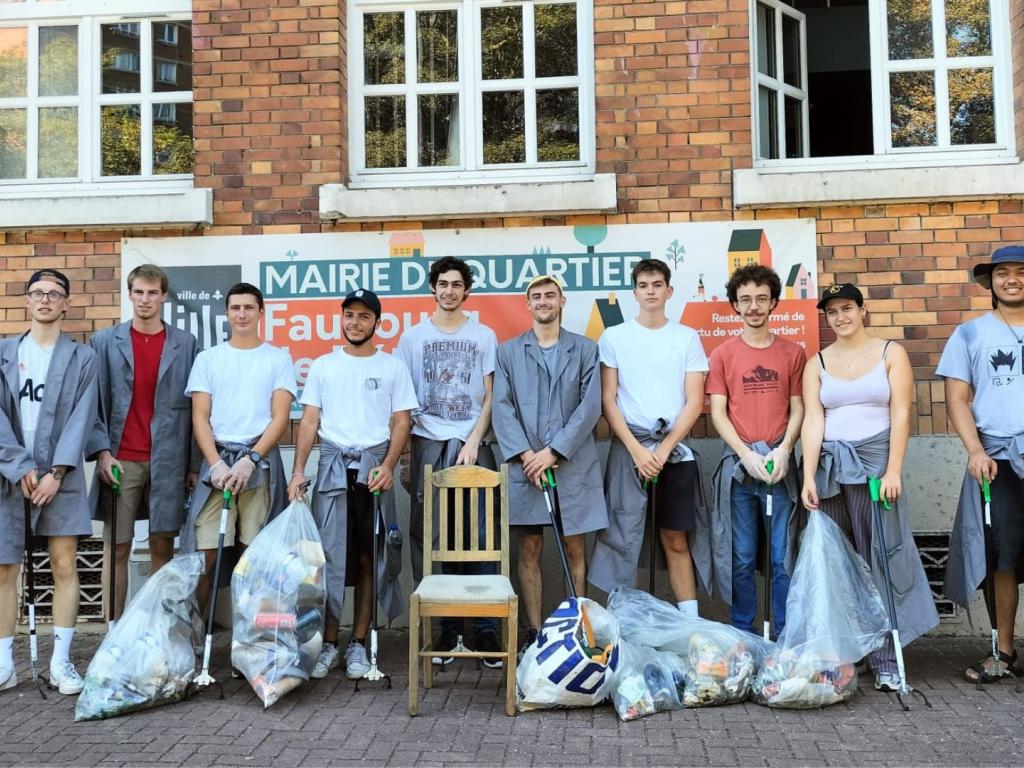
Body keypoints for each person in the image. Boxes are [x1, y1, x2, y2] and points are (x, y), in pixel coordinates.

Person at [801, 283, 938, 692]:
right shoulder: (817, 362)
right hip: (829, 468)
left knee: (877, 556)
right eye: (832, 312)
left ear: (863, 311)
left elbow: (901, 413)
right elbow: (813, 419)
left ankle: (886, 658)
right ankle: (849, 655)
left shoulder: (889, 352)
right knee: (837, 562)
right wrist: (808, 475)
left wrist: (894, 470)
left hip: (875, 465)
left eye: (847, 308)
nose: (840, 317)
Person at [288, 289, 416, 680]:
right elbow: (309, 422)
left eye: (363, 316)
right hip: (331, 469)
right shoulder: (325, 366)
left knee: (367, 558)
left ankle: (358, 642)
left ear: (377, 323)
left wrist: (390, 465)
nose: (355, 323)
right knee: (326, 560)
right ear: (341, 319)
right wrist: (297, 471)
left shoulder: (392, 367)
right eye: (349, 315)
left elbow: (401, 421)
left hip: (373, 470)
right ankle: (328, 642)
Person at [396, 256, 502, 666]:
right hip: (428, 443)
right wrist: (407, 455)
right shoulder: (413, 338)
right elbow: (404, 403)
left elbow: (491, 395)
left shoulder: (484, 335)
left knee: (481, 536)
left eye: (457, 284)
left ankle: (487, 634)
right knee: (433, 538)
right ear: (433, 288)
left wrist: (475, 439)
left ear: (466, 291)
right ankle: (446, 630)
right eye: (442, 284)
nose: (449, 291)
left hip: (474, 443)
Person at [589, 258, 709, 616]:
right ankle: (622, 622)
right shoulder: (614, 337)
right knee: (621, 538)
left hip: (674, 453)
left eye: (657, 285)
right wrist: (638, 451)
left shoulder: (686, 337)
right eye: (643, 286)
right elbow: (607, 399)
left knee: (675, 538)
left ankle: (690, 623)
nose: (650, 291)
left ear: (669, 291)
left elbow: (695, 400)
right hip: (630, 451)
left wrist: (664, 449)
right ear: (634, 292)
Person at [492, 275, 607, 648]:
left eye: (550, 295)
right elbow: (502, 408)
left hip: (571, 464)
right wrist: (529, 456)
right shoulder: (508, 353)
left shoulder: (586, 350)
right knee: (529, 547)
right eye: (536, 296)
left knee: (575, 546)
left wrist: (554, 451)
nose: (543, 301)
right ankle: (535, 632)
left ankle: (579, 627)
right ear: (527, 304)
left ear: (562, 301)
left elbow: (590, 407)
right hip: (526, 467)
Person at [0, 269, 98, 695]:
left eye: (53, 294)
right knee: (5, 569)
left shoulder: (83, 358)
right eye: (37, 293)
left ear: (66, 303)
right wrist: (20, 467)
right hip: (9, 474)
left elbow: (83, 416)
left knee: (63, 563)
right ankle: (3, 664)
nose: (44, 300)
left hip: (61, 476)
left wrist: (56, 473)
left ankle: (60, 663)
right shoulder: (4, 352)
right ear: (26, 300)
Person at [86, 264, 199, 621]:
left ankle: (156, 628)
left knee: (162, 545)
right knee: (116, 547)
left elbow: (198, 406)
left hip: (169, 459)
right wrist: (102, 453)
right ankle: (113, 628)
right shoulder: (104, 342)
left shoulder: (185, 343)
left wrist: (193, 465)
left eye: (152, 292)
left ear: (164, 296)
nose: (145, 299)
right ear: (130, 294)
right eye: (138, 292)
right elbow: (94, 403)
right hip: (122, 459)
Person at [697, 265, 805, 638]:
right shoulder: (723, 355)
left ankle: (783, 635)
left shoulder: (793, 353)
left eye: (761, 298)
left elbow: (799, 407)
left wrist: (786, 449)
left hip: (779, 468)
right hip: (741, 471)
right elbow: (717, 412)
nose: (754, 306)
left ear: (774, 302)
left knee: (781, 558)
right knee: (741, 557)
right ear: (735, 306)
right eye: (746, 300)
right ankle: (743, 634)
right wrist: (746, 454)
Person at [182, 283, 295, 614]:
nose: (242, 314)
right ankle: (191, 637)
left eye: (249, 307)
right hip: (217, 467)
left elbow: (280, 418)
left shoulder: (278, 358)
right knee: (206, 554)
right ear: (227, 313)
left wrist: (251, 459)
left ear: (262, 312)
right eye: (235, 308)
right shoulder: (209, 359)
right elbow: (200, 418)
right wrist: (216, 463)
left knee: (253, 556)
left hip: (258, 466)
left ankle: (249, 645)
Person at [939, 246, 1024, 683]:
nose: (1012, 279)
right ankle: (1004, 652)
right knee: (1001, 557)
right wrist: (976, 451)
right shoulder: (970, 334)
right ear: (990, 282)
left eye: (1021, 272)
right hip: (998, 459)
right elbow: (956, 399)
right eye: (1003, 273)